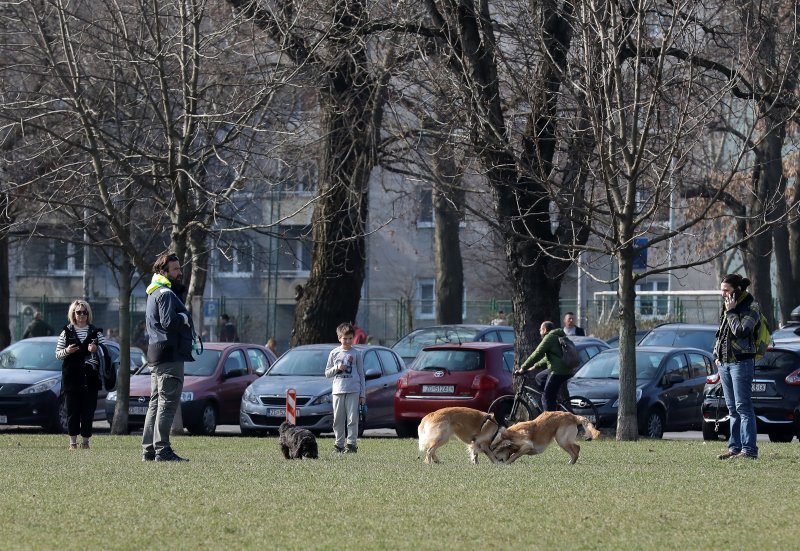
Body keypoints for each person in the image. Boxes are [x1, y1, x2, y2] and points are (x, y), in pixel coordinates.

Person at [142, 253, 195, 462]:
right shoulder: (165, 293)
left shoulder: (153, 292)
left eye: (179, 268)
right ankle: (162, 450)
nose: (179, 272)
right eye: (175, 269)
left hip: (156, 353)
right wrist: (183, 317)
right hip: (169, 355)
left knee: (155, 403)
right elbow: (168, 323)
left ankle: (149, 450)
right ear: (163, 272)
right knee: (167, 403)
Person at [714, 273, 760, 460]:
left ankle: (749, 451)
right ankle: (735, 448)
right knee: (732, 408)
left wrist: (732, 312)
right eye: (722, 290)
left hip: (741, 363)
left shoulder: (752, 306)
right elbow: (722, 333)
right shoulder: (726, 305)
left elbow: (741, 331)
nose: (723, 294)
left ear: (737, 290)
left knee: (744, 407)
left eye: (726, 290)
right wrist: (716, 354)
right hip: (724, 363)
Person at [55, 300, 105, 450]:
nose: (81, 315)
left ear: (88, 314)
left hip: (91, 379)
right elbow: (57, 354)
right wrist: (67, 351)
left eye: (84, 312)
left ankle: (86, 442)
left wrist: (96, 348)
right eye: (78, 312)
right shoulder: (66, 332)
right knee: (72, 412)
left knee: (88, 413)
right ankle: (72, 443)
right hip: (71, 379)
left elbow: (107, 352)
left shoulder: (96, 332)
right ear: (73, 314)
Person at [324, 322, 365, 453]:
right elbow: (327, 373)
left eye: (350, 338)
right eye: (344, 338)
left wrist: (362, 394)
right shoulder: (334, 353)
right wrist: (336, 368)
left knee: (352, 419)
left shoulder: (357, 354)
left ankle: (352, 444)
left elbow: (361, 374)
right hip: (338, 390)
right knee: (338, 419)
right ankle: (339, 444)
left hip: (353, 390)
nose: (347, 341)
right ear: (339, 338)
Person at [515, 321, 571, 412]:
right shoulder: (557, 336)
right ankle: (552, 400)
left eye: (540, 329)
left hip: (557, 371)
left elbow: (536, 354)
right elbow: (547, 358)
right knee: (539, 377)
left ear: (544, 330)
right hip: (564, 369)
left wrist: (523, 368)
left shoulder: (549, 337)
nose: (539, 331)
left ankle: (550, 421)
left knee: (546, 397)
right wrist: (535, 367)